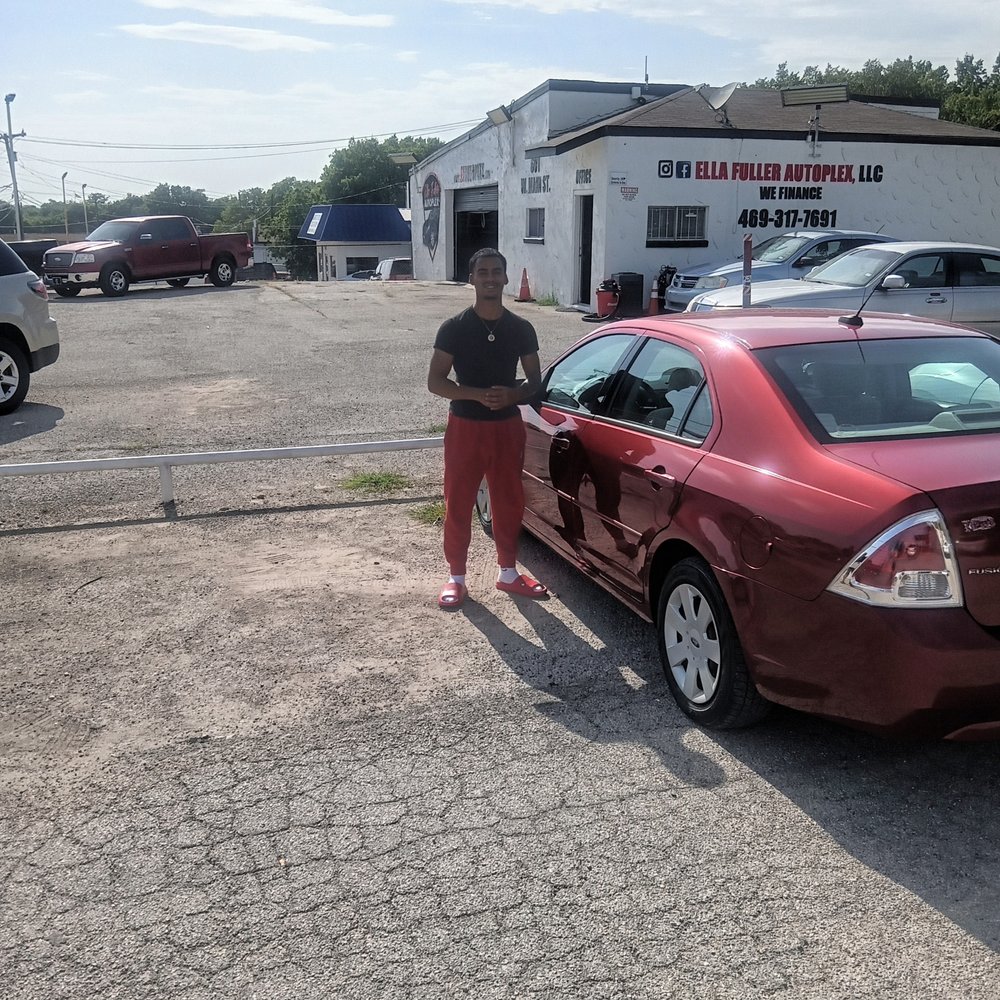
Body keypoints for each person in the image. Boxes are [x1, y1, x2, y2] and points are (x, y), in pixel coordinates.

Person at [427, 248, 548, 610]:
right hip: (465, 427)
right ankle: (456, 577)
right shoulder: (454, 328)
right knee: (459, 501)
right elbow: (436, 381)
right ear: (472, 279)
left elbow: (535, 381)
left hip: (507, 427)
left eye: (497, 272)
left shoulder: (521, 328)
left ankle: (508, 572)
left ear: (506, 278)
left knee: (509, 500)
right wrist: (476, 394)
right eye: (483, 272)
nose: (491, 278)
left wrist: (514, 394)